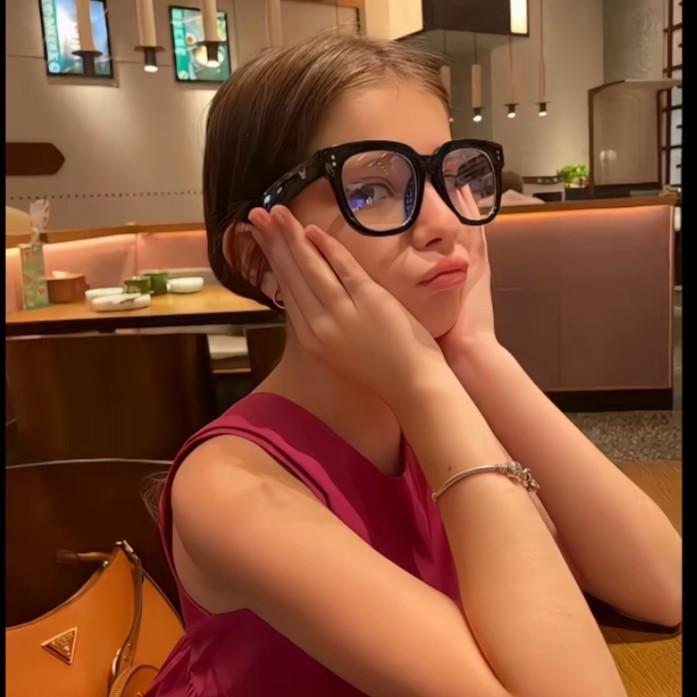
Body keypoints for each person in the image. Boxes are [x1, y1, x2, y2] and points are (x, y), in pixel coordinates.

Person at [146, 31, 681, 697]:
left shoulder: (428, 420)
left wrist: (478, 355)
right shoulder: (230, 488)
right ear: (261, 258)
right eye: (371, 189)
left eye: (452, 176)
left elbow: (663, 587)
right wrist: (427, 384)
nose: (444, 221)